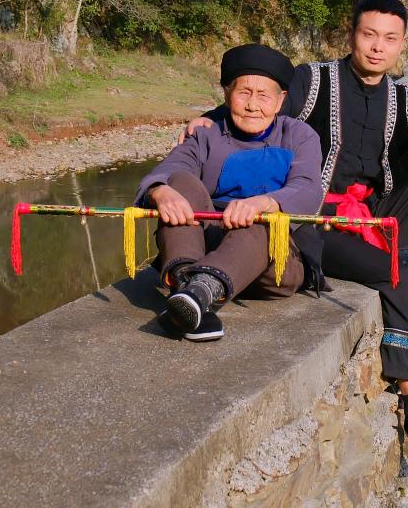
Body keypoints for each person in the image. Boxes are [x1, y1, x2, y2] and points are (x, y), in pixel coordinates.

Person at [182, 0, 408, 460]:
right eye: (369, 35)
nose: (377, 47)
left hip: (380, 208)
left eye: (390, 39)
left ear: (403, 45)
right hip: (317, 218)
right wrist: (210, 118)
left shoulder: (404, 99)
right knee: (393, 260)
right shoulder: (313, 80)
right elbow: (259, 105)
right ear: (352, 35)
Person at [135, 44, 323, 342]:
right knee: (179, 181)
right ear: (226, 95)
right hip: (211, 244)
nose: (252, 105)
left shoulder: (299, 135)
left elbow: (309, 188)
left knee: (263, 220)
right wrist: (160, 191)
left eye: (264, 95)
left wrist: (265, 202)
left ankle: (199, 290)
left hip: (274, 258)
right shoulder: (206, 134)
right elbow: (170, 168)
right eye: (243, 93)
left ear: (280, 101)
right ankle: (192, 292)